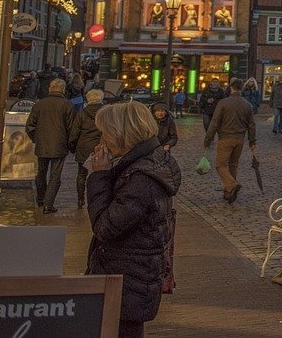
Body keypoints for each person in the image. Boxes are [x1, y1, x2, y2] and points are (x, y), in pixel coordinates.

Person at [85, 101, 181, 338]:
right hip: (130, 276)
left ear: (121, 134)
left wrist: (99, 176)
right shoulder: (144, 165)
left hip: (130, 280)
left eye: (105, 132)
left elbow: (105, 227)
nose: (102, 139)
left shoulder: (142, 178)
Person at [26, 78, 77, 213]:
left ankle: (41, 198)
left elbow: (30, 126)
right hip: (59, 145)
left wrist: (36, 138)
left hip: (42, 144)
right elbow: (71, 128)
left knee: (41, 173)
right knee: (55, 176)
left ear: (50, 88)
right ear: (63, 90)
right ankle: (48, 204)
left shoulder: (39, 105)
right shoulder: (67, 105)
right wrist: (70, 145)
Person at [204, 78, 257, 203]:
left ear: (231, 88)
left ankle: (232, 184)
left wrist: (207, 140)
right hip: (240, 139)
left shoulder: (223, 103)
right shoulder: (247, 104)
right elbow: (252, 125)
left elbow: (214, 123)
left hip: (225, 138)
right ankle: (229, 192)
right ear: (241, 89)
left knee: (220, 165)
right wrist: (252, 141)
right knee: (233, 165)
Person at [69, 88, 105, 209]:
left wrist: (73, 148)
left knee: (81, 174)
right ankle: (97, 199)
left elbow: (74, 133)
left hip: (83, 146)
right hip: (100, 147)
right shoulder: (105, 114)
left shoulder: (82, 114)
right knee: (100, 175)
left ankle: (80, 200)